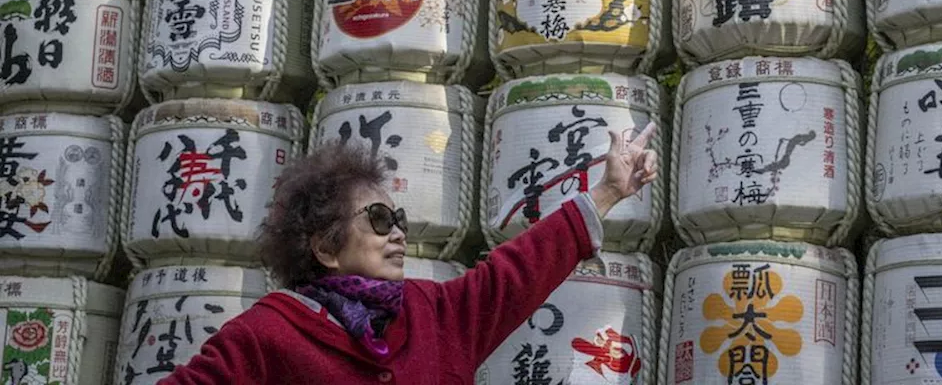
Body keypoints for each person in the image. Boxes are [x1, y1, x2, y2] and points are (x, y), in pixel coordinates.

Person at [160, 122, 659, 383]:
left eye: (397, 220)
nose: (398, 233)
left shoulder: (435, 313)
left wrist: (607, 193)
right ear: (325, 247)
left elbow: (517, 272)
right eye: (379, 221)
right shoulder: (266, 334)